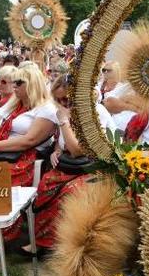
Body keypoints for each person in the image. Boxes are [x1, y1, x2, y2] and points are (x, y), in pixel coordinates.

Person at [0, 65, 58, 271]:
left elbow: (29, 140)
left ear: (33, 85)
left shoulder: (46, 109)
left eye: (19, 83)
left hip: (22, 160)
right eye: (14, 82)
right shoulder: (15, 105)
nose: (14, 86)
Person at [28, 75, 116, 255]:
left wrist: (63, 120)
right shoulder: (68, 112)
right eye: (58, 100)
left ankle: (63, 244)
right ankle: (44, 242)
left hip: (96, 167)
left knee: (69, 192)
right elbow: (62, 142)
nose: (63, 103)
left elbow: (77, 149)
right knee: (45, 184)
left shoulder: (93, 113)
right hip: (72, 166)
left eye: (67, 99)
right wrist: (56, 150)